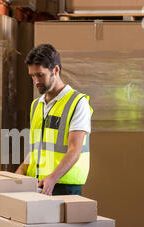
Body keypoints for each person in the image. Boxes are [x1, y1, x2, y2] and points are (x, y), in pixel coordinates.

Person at [15, 44, 93, 196]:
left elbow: (74, 149)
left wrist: (53, 178)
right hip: (38, 184)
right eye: (32, 76)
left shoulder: (77, 102)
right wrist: (19, 173)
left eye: (40, 75)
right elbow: (36, 148)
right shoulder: (36, 105)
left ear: (55, 70)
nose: (35, 81)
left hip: (64, 186)